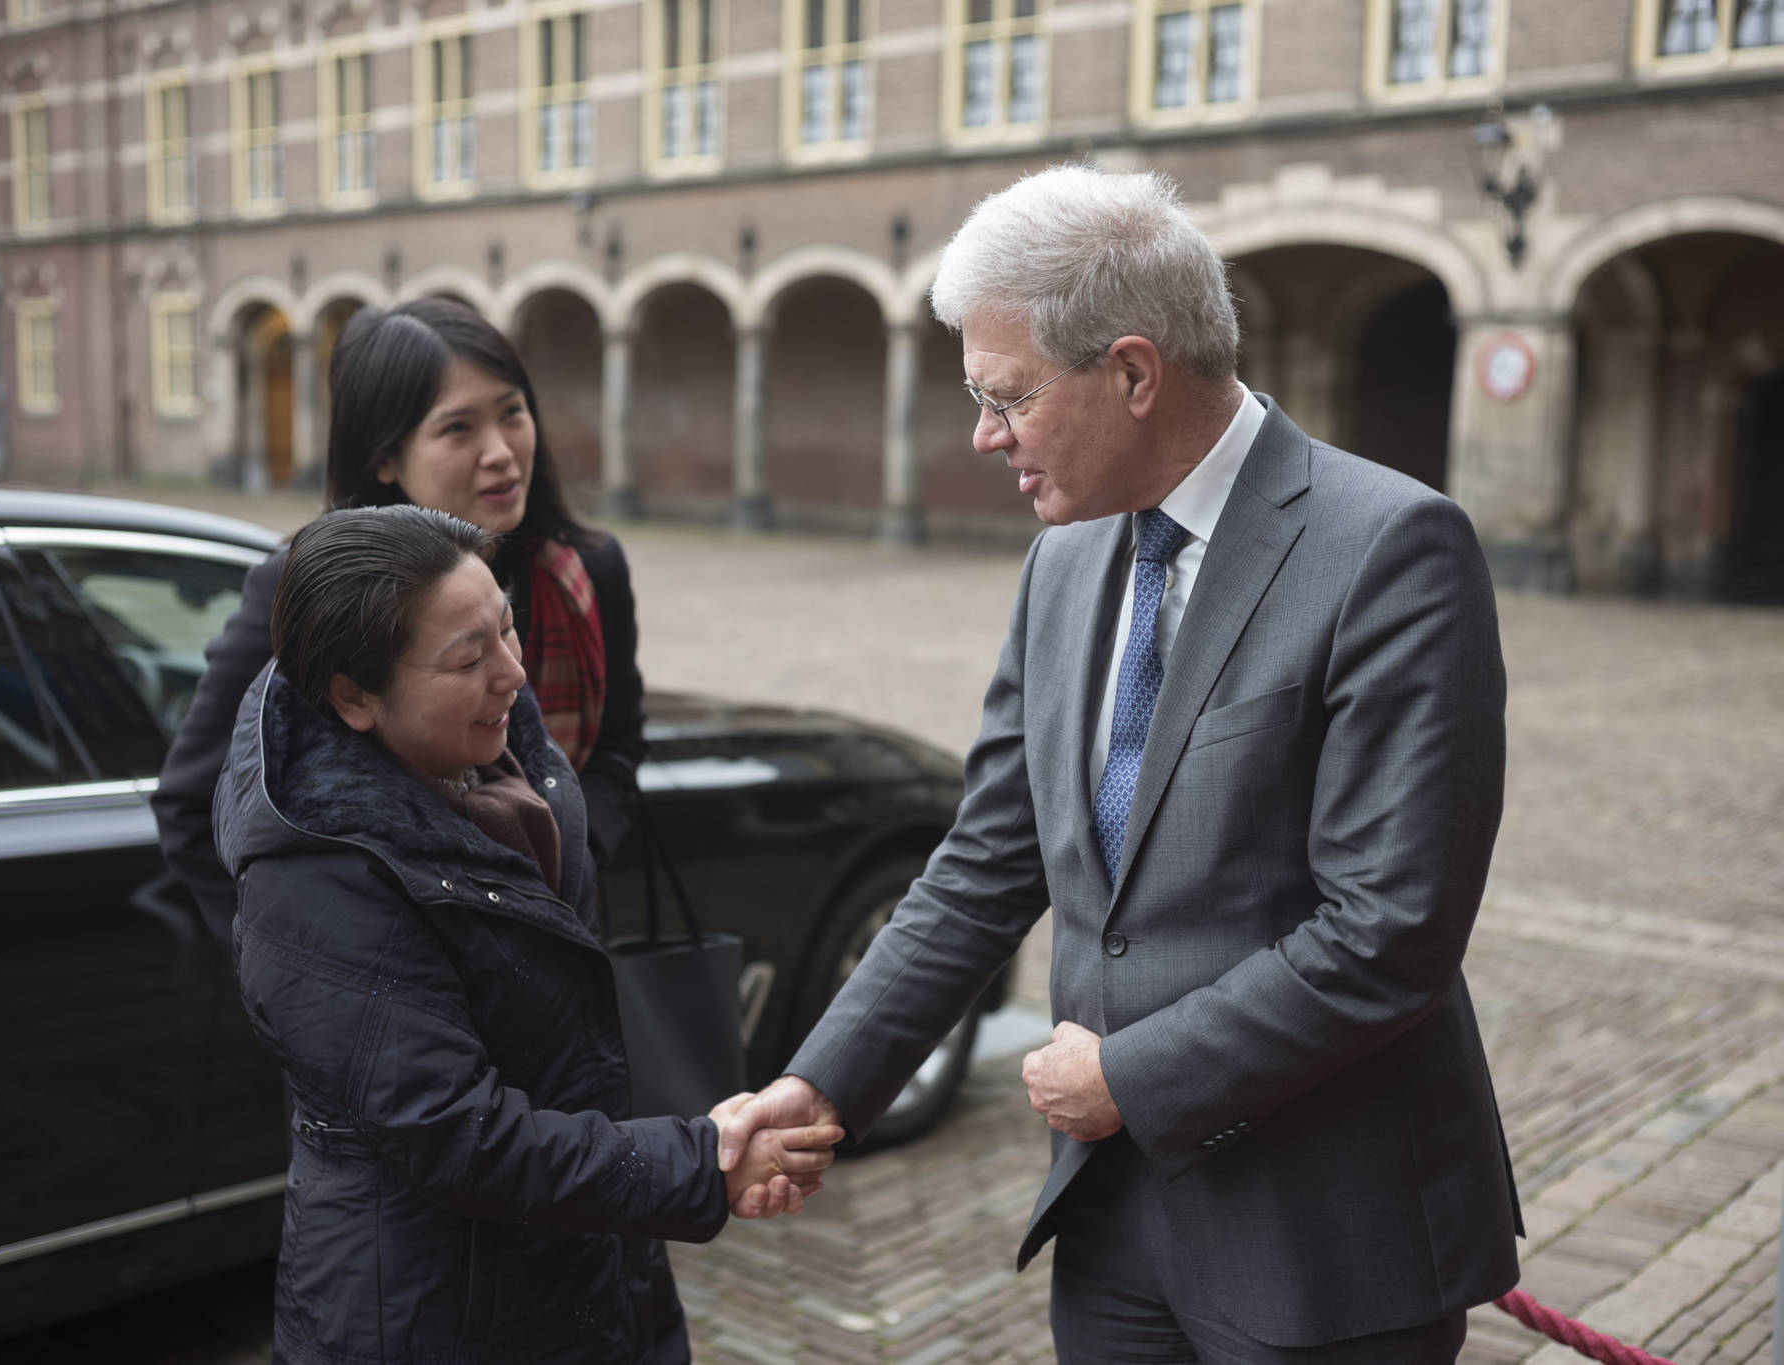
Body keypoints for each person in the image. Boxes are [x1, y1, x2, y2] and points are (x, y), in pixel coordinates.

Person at [717, 165, 1522, 1362]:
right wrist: (825, 1083)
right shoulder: (1063, 561)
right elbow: (988, 858)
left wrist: (1132, 1079)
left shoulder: (1389, 550)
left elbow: (1387, 931)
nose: (983, 436)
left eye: (1007, 398)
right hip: (1107, 1227)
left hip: (1323, 1244)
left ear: (1133, 372)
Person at [213, 505, 841, 1364]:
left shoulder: (494, 758)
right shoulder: (315, 875)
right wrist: (698, 1163)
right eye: (468, 658)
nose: (512, 671)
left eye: (505, 626)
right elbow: (453, 1130)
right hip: (434, 1311)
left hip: (581, 1259)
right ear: (353, 696)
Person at [156, 298, 646, 952]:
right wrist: (303, 970)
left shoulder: (587, 573)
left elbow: (617, 748)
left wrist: (565, 852)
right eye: (457, 429)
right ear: (385, 458)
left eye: (512, 412)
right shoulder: (304, 592)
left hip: (565, 948)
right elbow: (194, 804)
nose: (500, 452)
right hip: (395, 977)